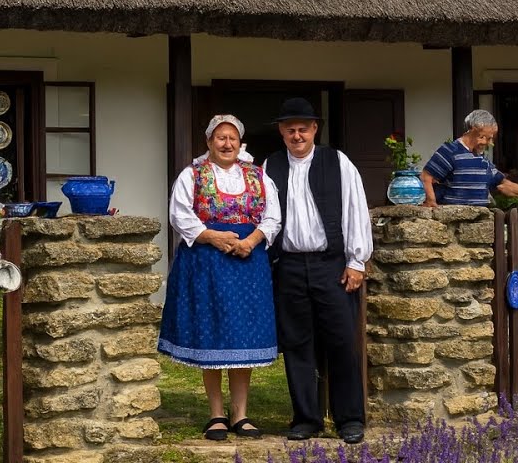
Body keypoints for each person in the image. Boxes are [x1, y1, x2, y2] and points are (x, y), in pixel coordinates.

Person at [159, 114, 282, 441]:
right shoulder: (193, 174)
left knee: (243, 335)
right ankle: (216, 414)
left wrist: (251, 241)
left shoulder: (258, 176)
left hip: (246, 262)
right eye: (220, 138)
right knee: (212, 332)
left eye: (232, 138)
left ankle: (241, 415)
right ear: (209, 141)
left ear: (240, 143)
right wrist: (213, 236)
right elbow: (179, 214)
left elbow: (273, 217)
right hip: (206, 261)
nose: (226, 144)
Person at [263, 97, 372, 445]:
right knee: (297, 345)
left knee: (341, 341)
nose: (297, 135)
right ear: (281, 132)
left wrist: (357, 261)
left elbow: (357, 209)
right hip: (290, 266)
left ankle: (349, 418)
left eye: (303, 129)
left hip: (331, 266)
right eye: (290, 129)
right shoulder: (270, 167)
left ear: (315, 129)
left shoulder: (337, 161)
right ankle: (306, 419)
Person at [421, 109, 518, 207]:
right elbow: (426, 176)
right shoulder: (450, 151)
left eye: (490, 139)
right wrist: (431, 201)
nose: (489, 143)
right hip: (453, 222)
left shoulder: (482, 160)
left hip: (478, 224)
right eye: (485, 137)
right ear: (474, 130)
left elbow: (504, 185)